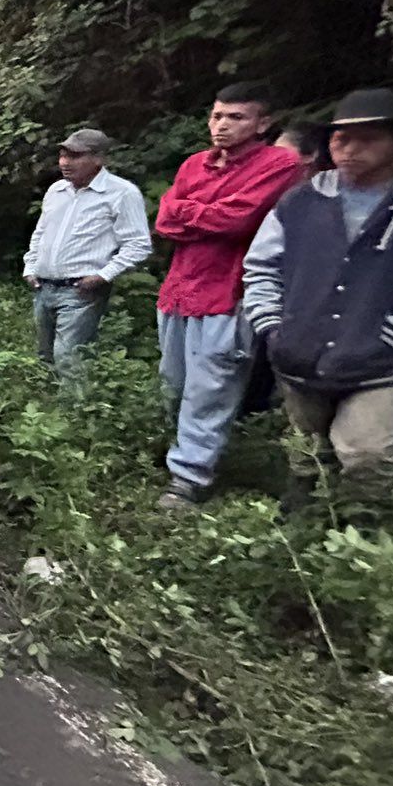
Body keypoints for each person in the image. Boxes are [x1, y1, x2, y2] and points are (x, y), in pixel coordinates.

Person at [242, 89, 393, 504]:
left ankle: (368, 543)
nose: (350, 149)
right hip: (299, 353)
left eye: (367, 138)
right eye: (341, 139)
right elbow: (260, 265)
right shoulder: (302, 199)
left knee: (367, 455)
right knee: (306, 454)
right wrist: (272, 324)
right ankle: (301, 530)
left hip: (381, 360)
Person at [152, 84, 304, 509]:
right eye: (217, 116)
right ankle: (181, 453)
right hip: (180, 288)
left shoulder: (279, 163)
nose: (222, 125)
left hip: (228, 291)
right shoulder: (195, 164)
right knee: (175, 383)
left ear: (263, 123)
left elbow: (239, 221)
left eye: (235, 117)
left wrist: (190, 212)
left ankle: (189, 477)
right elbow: (165, 220)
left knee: (212, 387)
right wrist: (201, 215)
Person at [21, 128, 152, 381]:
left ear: (98, 158)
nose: (64, 163)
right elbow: (41, 233)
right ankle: (47, 411)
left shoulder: (122, 193)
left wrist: (103, 276)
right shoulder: (56, 190)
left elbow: (138, 244)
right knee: (44, 355)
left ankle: (74, 412)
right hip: (43, 286)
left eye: (75, 156)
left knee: (69, 357)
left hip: (80, 290)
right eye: (62, 155)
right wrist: (30, 267)